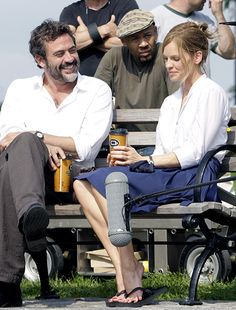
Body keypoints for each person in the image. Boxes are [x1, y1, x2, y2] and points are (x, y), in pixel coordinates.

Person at [73, 21, 231, 306]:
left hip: (194, 177)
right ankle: (128, 266)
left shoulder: (211, 93)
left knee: (106, 181)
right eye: (167, 58)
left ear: (197, 57)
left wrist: (143, 160)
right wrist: (131, 158)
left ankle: (129, 276)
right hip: (168, 173)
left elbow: (196, 152)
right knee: (83, 182)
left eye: (175, 59)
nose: (168, 65)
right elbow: (162, 150)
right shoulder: (171, 101)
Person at [0, 20, 112, 307]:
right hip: (26, 178)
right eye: (59, 54)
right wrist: (38, 145)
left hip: (70, 176)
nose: (70, 58)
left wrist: (39, 137)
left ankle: (7, 282)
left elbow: (86, 147)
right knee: (17, 154)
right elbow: (5, 138)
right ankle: (31, 216)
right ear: (40, 60)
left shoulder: (96, 90)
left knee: (21, 148)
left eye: (72, 50)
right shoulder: (20, 89)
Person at [94, 9, 178, 132]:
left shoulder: (166, 55)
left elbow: (179, 100)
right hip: (123, 140)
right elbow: (95, 97)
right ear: (123, 41)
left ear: (156, 32)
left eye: (147, 36)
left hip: (159, 140)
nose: (143, 43)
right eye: (135, 39)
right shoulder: (115, 57)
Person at [59, 0, 139, 76]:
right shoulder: (70, 11)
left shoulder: (126, 4)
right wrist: (104, 30)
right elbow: (65, 43)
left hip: (120, 79)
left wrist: (87, 36)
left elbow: (132, 43)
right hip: (83, 83)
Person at [151, 0, 236, 59]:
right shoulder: (155, 17)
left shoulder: (205, 21)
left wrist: (219, 14)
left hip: (200, 85)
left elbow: (229, 52)